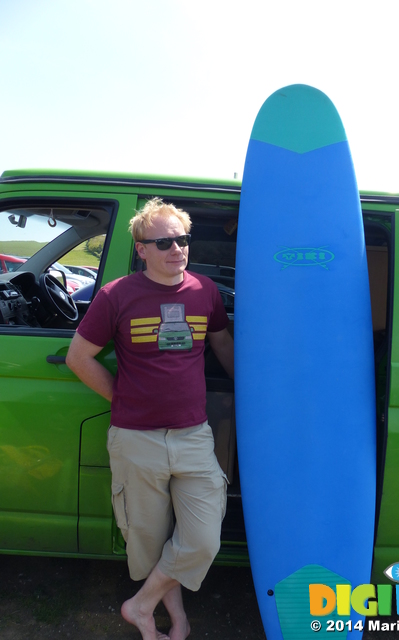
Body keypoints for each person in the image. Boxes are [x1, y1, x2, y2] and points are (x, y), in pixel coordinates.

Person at [66, 198, 234, 640]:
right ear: (142, 249)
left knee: (201, 540)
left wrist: (259, 395)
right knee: (149, 540)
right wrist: (123, 398)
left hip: (194, 436)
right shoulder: (115, 295)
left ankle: (139, 605)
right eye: (164, 242)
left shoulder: (205, 291)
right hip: (135, 438)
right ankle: (170, 616)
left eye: (182, 239)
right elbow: (78, 357)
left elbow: (222, 345)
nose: (176, 249)